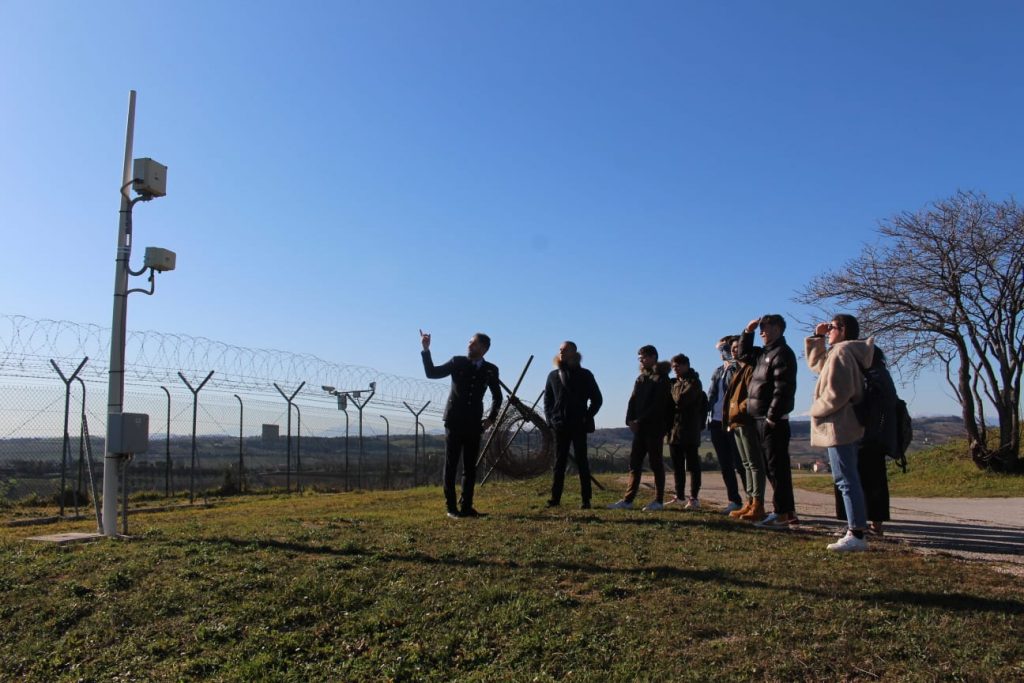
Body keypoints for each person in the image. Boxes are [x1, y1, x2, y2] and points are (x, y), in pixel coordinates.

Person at [806, 314, 875, 552]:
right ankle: (854, 527)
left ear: (843, 330)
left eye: (832, 328)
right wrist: (818, 338)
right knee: (847, 478)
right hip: (846, 422)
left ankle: (856, 533)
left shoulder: (843, 352)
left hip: (839, 423)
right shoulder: (844, 351)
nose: (829, 331)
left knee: (846, 479)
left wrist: (816, 409)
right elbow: (817, 365)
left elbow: (839, 391)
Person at [420, 329, 502, 518]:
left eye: (473, 343)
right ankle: (451, 508)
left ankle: (467, 506)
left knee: (470, 467)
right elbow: (432, 373)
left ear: (483, 348)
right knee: (451, 465)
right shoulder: (457, 362)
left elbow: (497, 397)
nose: (469, 345)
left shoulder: (491, 369)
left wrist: (491, 418)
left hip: (475, 423)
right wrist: (426, 350)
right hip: (454, 421)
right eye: (469, 342)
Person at [740, 314, 799, 528]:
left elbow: (783, 388)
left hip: (772, 419)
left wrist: (773, 416)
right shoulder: (764, 353)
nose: (762, 331)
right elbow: (743, 354)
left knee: (777, 467)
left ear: (778, 328)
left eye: (765, 327)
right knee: (769, 466)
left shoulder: (783, 353)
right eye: (761, 328)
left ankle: (781, 513)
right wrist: (748, 331)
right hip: (758, 417)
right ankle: (787, 511)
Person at [608, 345, 674, 511]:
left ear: (653, 357)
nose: (641, 361)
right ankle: (628, 500)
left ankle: (658, 500)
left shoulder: (662, 378)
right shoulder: (641, 378)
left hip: (654, 427)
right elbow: (633, 400)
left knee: (655, 463)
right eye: (639, 358)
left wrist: (640, 420)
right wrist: (629, 420)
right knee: (634, 463)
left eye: (643, 357)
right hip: (639, 428)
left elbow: (658, 404)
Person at [543, 341, 603, 509]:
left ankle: (586, 500)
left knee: (582, 462)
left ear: (574, 352)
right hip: (559, 425)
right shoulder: (552, 375)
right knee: (559, 463)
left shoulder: (585, 375)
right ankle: (555, 499)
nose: (561, 351)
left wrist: (586, 416)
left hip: (578, 425)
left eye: (565, 349)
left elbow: (597, 399)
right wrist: (550, 421)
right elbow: (547, 400)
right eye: (560, 349)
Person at [724, 336, 768, 522]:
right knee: (746, 464)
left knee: (754, 464)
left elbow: (751, 395)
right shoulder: (738, 370)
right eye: (732, 348)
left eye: (737, 347)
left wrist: (737, 410)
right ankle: (749, 501)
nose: (734, 351)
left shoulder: (751, 369)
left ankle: (758, 504)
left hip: (747, 420)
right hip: (736, 421)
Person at [706, 336, 746, 513]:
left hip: (732, 420)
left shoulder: (738, 368)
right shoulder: (718, 371)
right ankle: (734, 500)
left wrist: (727, 351)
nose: (721, 352)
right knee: (725, 465)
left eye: (724, 348)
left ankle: (752, 500)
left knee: (740, 463)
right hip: (716, 421)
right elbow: (711, 394)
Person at [666, 354, 704, 510]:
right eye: (673, 367)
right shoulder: (675, 382)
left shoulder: (694, 382)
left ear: (686, 365)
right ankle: (679, 495)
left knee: (693, 466)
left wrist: (672, 393)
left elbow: (680, 400)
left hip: (689, 430)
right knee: (678, 466)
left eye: (678, 366)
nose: (675, 370)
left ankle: (694, 498)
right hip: (674, 430)